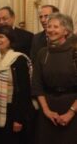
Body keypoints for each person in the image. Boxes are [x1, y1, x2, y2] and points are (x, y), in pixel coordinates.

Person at [32, 13, 77, 144]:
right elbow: (37, 85)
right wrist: (46, 111)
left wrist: (70, 113)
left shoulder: (75, 52)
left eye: (55, 27)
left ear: (66, 30)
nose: (50, 30)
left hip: (73, 107)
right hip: (48, 109)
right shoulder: (42, 53)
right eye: (49, 26)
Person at [0, 25, 33, 144]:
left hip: (13, 110)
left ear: (10, 39)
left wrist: (19, 119)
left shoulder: (18, 59)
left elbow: (24, 91)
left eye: (1, 37)